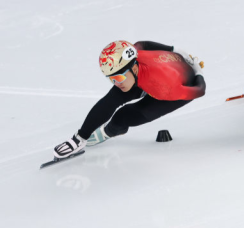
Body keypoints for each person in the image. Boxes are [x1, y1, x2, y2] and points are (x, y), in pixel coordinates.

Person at [52, 40, 206, 159]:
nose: (116, 82)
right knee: (113, 98)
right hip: (151, 73)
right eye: (111, 78)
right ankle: (80, 139)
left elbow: (199, 91)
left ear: (133, 68)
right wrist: (175, 49)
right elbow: (143, 43)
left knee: (123, 117)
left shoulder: (165, 85)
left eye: (118, 77)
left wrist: (198, 72)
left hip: (179, 86)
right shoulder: (134, 54)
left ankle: (109, 131)